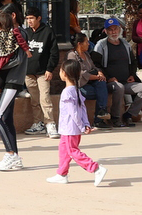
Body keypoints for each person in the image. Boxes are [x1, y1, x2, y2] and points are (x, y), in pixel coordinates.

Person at [46, 57, 108, 186]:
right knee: (64, 150)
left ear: (64, 73)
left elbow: (73, 112)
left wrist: (81, 125)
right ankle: (61, 174)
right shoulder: (76, 90)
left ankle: (95, 168)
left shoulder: (67, 92)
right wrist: (85, 124)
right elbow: (82, 109)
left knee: (72, 151)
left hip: (70, 128)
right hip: (69, 129)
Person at [0, 11, 31, 170]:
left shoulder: (19, 35)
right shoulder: (2, 37)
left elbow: (18, 59)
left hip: (13, 82)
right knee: (6, 118)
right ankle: (14, 157)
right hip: (5, 82)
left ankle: (11, 154)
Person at [93, 19, 142, 128]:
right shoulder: (101, 45)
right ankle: (116, 117)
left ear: (120, 29)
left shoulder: (125, 44)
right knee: (119, 87)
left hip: (126, 81)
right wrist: (108, 78)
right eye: (110, 30)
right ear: (105, 31)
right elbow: (96, 64)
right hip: (110, 83)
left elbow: (133, 62)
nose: (113, 32)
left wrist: (132, 75)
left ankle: (129, 114)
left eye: (115, 29)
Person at [20, 10, 56, 135]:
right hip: (28, 72)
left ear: (39, 18)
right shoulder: (26, 33)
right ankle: (38, 124)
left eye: (31, 18)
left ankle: (50, 123)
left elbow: (54, 53)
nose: (29, 21)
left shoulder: (48, 32)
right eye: (27, 18)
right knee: (34, 100)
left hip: (43, 72)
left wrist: (50, 69)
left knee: (45, 98)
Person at [72, 32, 112, 128]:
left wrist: (100, 73)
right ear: (79, 44)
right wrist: (96, 77)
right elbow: (80, 73)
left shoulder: (86, 54)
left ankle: (100, 115)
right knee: (101, 93)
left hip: (92, 82)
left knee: (101, 84)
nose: (88, 44)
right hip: (80, 85)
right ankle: (100, 116)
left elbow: (94, 67)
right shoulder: (72, 56)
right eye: (86, 42)